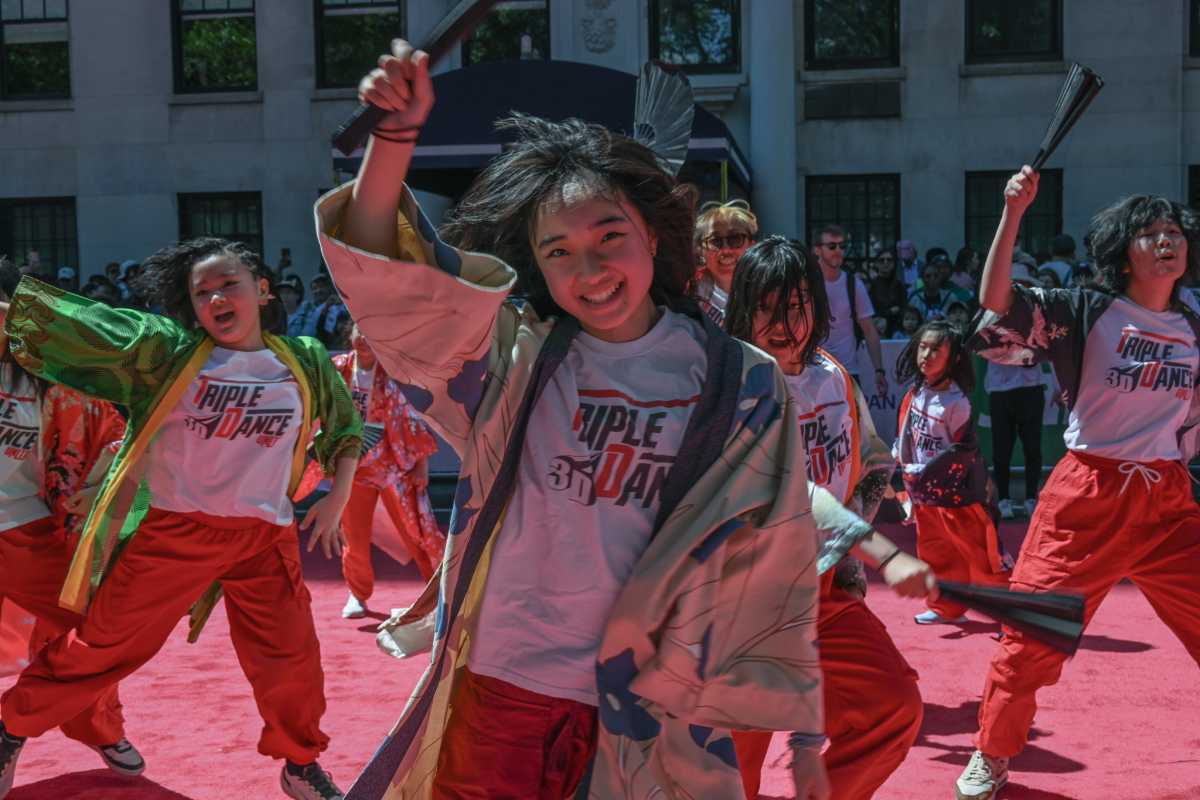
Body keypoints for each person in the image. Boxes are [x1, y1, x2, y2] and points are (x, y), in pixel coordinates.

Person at [319, 40, 832, 800]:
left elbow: (773, 553)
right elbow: (389, 279)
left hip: (651, 709)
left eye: (609, 238)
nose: (588, 272)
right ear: (536, 265)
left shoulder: (741, 381)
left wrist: (782, 719)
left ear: (654, 237)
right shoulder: (511, 358)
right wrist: (394, 141)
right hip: (506, 682)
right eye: (558, 252)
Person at [0, 239, 364, 800]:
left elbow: (345, 431)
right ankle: (10, 728)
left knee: (292, 660)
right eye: (202, 293)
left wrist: (336, 499)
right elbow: (93, 324)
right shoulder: (169, 353)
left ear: (261, 290)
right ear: (191, 308)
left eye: (228, 285)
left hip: (266, 538)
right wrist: (12, 309)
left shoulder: (305, 358)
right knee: (104, 646)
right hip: (175, 535)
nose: (217, 298)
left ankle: (299, 763)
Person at [956, 167, 1200, 800]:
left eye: (1175, 230)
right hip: (1086, 498)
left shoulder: (1194, 327)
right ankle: (993, 753)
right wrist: (1013, 213)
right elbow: (997, 299)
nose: (1167, 240)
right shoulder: (1084, 309)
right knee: (1031, 636)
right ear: (1124, 250)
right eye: (1151, 233)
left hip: (1167, 500)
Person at [723, 236, 934, 800]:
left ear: (819, 305)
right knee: (729, 769)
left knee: (892, 709)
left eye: (796, 304)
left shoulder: (833, 374)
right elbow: (793, 491)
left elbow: (872, 456)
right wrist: (880, 550)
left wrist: (849, 549)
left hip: (823, 593)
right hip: (742, 603)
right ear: (742, 308)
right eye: (766, 306)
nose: (783, 321)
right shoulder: (732, 385)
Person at [0, 259, 145, 784]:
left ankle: (99, 727)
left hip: (26, 531)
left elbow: (110, 437)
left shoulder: (46, 367)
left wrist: (97, 483)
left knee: (87, 634)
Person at [296, 322, 444, 619]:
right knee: (355, 534)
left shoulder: (394, 373)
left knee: (415, 532)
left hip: (392, 465)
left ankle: (439, 594)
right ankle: (358, 594)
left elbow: (411, 418)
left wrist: (421, 464)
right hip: (353, 468)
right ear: (348, 335)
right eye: (357, 331)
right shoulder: (336, 368)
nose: (363, 338)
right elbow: (316, 411)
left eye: (369, 331)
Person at [894, 320, 1009, 626]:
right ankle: (946, 607)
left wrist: (927, 470)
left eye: (936, 350)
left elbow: (964, 451)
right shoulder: (917, 391)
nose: (926, 355)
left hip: (959, 496)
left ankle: (1009, 615)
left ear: (953, 359)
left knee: (983, 557)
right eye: (923, 346)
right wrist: (903, 460)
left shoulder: (957, 403)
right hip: (927, 497)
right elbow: (907, 431)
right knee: (936, 554)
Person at [813, 225, 890, 397]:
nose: (838, 251)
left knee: (854, 423)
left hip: (848, 372)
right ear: (817, 250)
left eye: (842, 246)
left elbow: (869, 330)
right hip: (814, 372)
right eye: (832, 246)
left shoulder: (853, 285)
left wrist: (879, 371)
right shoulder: (807, 284)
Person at [691, 200, 757, 325]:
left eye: (735, 238)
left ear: (752, 246)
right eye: (715, 241)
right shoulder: (688, 294)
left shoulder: (768, 289)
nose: (726, 250)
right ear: (700, 250)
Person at [866, 248, 907, 332]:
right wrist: (889, 312)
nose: (886, 262)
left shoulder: (899, 285)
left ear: (893, 263)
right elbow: (869, 311)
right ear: (876, 264)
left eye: (889, 260)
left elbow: (904, 307)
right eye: (882, 260)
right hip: (877, 328)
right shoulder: (871, 285)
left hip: (898, 328)